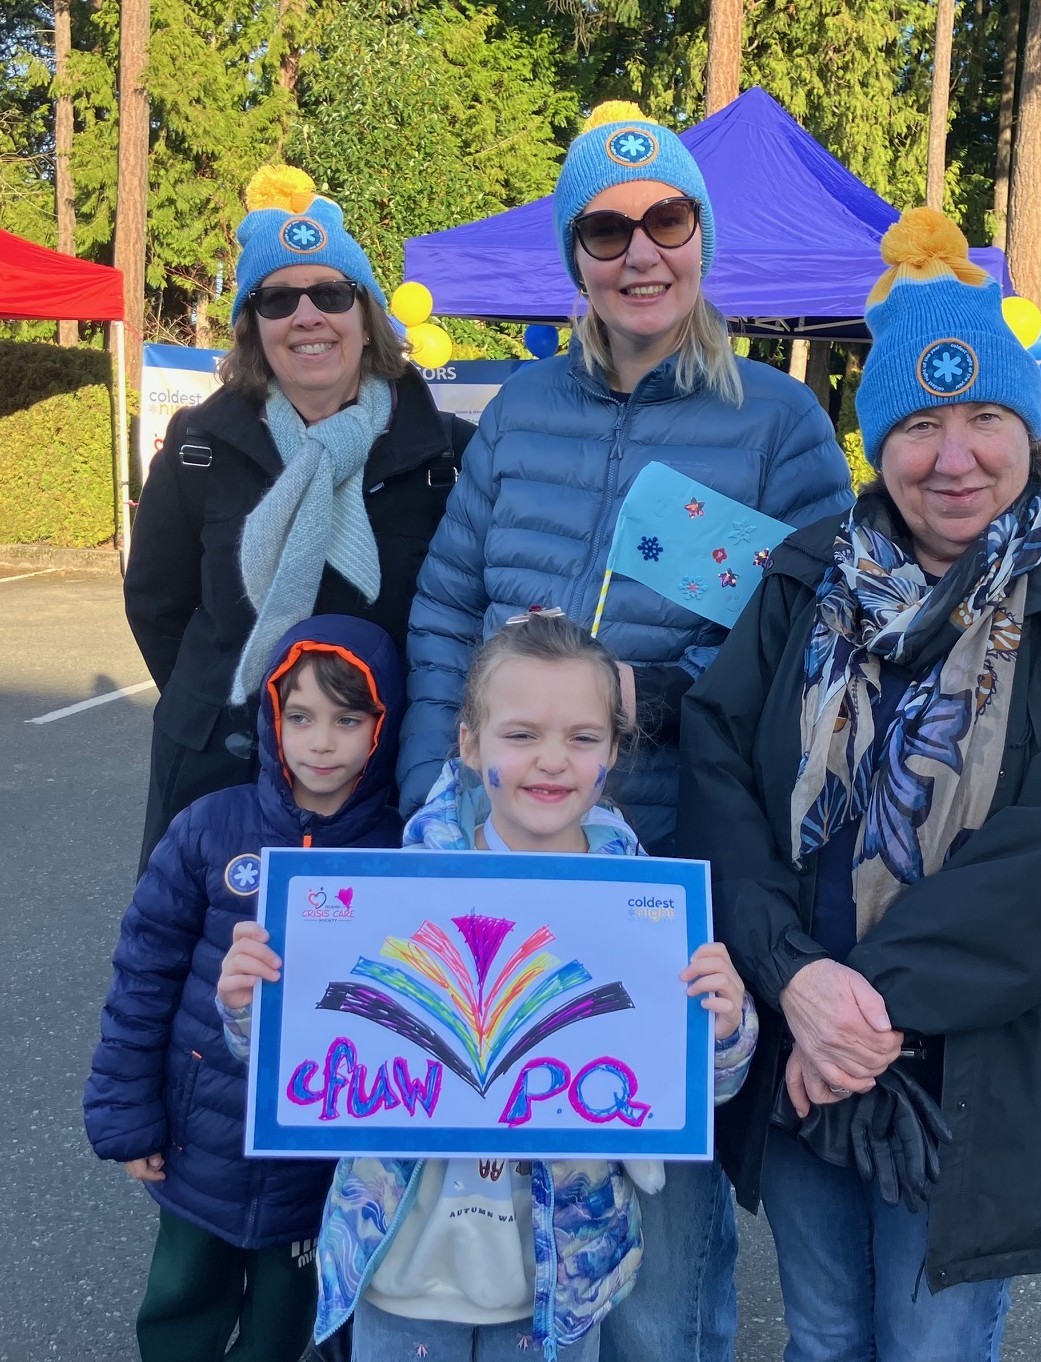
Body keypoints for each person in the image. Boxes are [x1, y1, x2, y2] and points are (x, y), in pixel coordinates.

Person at [678, 208, 1041, 1362]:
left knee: (928, 1347)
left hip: (969, 1073)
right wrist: (791, 977)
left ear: (1029, 429)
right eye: (917, 425)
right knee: (823, 1336)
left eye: (983, 418)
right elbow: (718, 767)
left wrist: (846, 1007)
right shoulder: (808, 576)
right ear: (877, 443)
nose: (953, 459)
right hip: (804, 1044)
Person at [400, 102, 852, 1361]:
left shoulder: (778, 423)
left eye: (666, 220)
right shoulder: (515, 411)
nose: (640, 251)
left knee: (656, 1259)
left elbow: (815, 649)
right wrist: (425, 808)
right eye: (606, 230)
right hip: (493, 863)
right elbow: (443, 613)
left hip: (666, 874)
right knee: (485, 1217)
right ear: (574, 255)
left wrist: (640, 698)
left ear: (701, 235)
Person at [221, 610, 758, 1361]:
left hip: (559, 1281)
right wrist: (254, 1006)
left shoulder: (650, 913)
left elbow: (697, 1089)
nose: (552, 761)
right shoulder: (396, 893)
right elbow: (300, 1061)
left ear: (615, 750)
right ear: (470, 745)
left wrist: (726, 1029)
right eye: (521, 734)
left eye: (583, 738)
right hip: (400, 1265)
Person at [125, 164, 473, 873]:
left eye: (331, 293)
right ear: (254, 327)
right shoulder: (199, 446)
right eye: (278, 299)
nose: (307, 316)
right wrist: (236, 705)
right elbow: (158, 606)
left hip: (382, 785)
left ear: (366, 316)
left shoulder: (446, 456)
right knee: (196, 943)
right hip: (218, 772)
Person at [84, 614, 406, 1362]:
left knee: (287, 1327)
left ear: (383, 725)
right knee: (181, 1306)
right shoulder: (208, 828)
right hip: (201, 1144)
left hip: (316, 1166)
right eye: (300, 717)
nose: (320, 742)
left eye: (347, 719)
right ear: (272, 717)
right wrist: (129, 1116)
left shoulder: (398, 851)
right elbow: (141, 980)